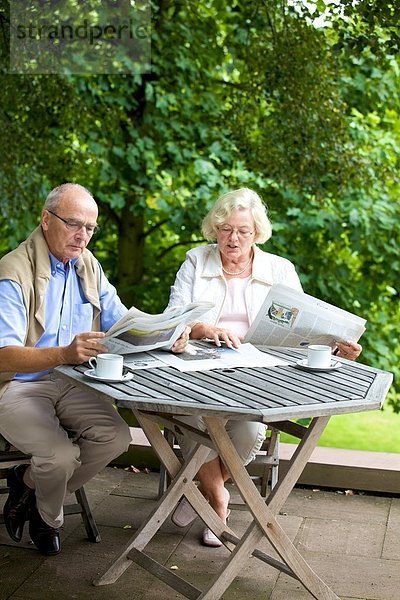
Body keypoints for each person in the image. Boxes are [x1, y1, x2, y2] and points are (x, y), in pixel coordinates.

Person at [0, 183, 188, 556]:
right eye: (73, 224)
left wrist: (169, 334)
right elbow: (4, 356)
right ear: (46, 220)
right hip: (17, 385)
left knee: (116, 438)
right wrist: (64, 354)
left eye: (90, 227)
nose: (82, 235)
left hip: (72, 381)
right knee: (60, 456)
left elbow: (123, 323)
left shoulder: (89, 266)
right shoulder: (12, 271)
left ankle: (28, 484)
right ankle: (48, 519)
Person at [167, 187, 362, 547]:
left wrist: (335, 347)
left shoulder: (279, 269)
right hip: (199, 369)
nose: (233, 238)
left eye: (243, 231)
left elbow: (305, 331)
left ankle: (200, 491)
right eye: (225, 229)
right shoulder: (196, 261)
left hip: (259, 374)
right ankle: (219, 501)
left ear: (257, 232)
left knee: (249, 431)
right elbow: (173, 318)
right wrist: (203, 328)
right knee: (188, 418)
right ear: (214, 229)